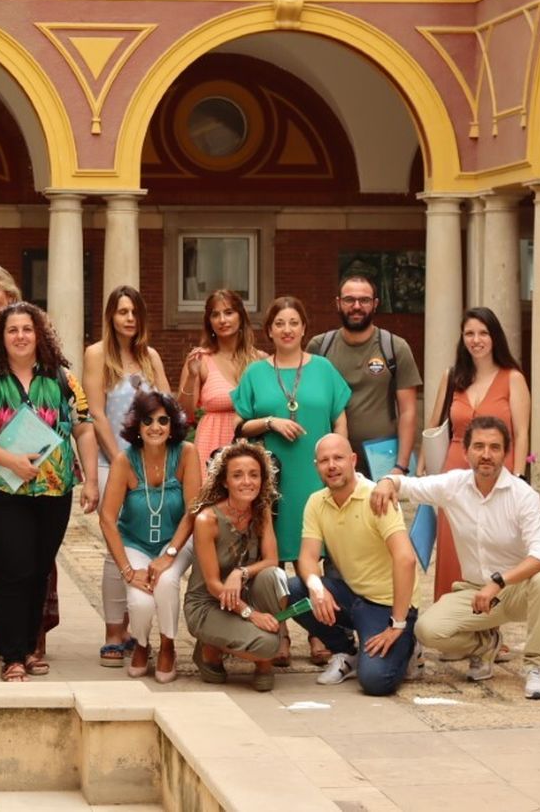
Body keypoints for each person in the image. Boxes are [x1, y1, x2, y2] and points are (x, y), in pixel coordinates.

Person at [370, 416, 540, 699]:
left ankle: (536, 667)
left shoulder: (524, 495)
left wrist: (498, 582)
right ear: (466, 451)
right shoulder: (454, 484)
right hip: (474, 593)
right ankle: (485, 644)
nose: (486, 454)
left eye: (494, 447)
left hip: (518, 589)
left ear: (505, 453)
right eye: (479, 446)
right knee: (427, 630)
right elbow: (406, 486)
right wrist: (386, 481)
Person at [0, 302, 99, 682]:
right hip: (1, 489)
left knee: (39, 569)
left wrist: (91, 479)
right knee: (14, 567)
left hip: (54, 490)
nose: (20, 336)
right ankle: (13, 655)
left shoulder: (62, 379)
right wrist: (10, 460)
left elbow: (84, 427)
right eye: (12, 330)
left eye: (26, 329)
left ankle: (32, 646)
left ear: (39, 335)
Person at [232, 295, 351, 665]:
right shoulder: (255, 372)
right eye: (279, 323)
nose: (287, 330)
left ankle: (319, 632)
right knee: (273, 561)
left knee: (313, 558)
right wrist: (270, 422)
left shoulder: (324, 369)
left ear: (304, 328)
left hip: (316, 477)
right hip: (273, 477)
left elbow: (339, 420)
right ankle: (279, 632)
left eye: (293, 323)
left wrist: (340, 465)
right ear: (269, 330)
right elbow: (241, 426)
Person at [286, 434, 418, 697]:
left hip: (387, 605)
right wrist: (317, 588)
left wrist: (398, 624)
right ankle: (345, 652)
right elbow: (307, 557)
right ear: (317, 467)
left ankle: (409, 645)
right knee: (293, 590)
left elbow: (406, 559)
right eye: (324, 460)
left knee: (375, 681)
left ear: (353, 460)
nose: (332, 465)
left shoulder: (376, 497)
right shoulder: (316, 502)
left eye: (338, 458)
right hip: (350, 595)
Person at [84, 286, 171, 668]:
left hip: (152, 465)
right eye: (122, 312)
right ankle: (113, 631)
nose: (129, 319)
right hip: (113, 461)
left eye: (135, 311)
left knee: (146, 540)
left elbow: (168, 406)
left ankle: (141, 633)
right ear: (111, 316)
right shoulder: (96, 355)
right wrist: (122, 464)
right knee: (115, 546)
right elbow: (97, 413)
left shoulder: (150, 357)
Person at [426, 307, 532, 600]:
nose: (476, 340)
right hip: (455, 467)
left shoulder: (513, 378)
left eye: (483, 333)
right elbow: (433, 425)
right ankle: (452, 619)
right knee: (453, 545)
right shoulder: (452, 377)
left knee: (492, 543)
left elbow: (522, 433)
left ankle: (490, 624)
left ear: (495, 337)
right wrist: (424, 468)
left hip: (497, 469)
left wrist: (520, 476)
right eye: (469, 333)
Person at [96, 391, 200, 683]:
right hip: (135, 543)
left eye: (163, 420)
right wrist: (128, 571)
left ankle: (168, 645)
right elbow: (107, 518)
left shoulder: (187, 453)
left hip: (176, 541)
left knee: (166, 582)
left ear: (172, 425)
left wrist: (168, 555)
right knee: (140, 601)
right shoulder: (124, 460)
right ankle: (142, 643)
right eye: (148, 420)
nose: (156, 427)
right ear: (137, 426)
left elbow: (194, 510)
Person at [184, 442, 284, 692]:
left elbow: (271, 560)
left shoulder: (261, 510)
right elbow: (213, 585)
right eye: (237, 475)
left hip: (244, 593)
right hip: (207, 604)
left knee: (273, 576)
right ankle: (210, 648)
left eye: (254, 475)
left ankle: (263, 666)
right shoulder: (207, 520)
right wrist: (253, 615)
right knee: (270, 645)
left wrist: (241, 573)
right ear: (225, 481)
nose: (247, 482)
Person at [309, 273, 422, 479]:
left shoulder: (395, 347)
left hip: (381, 461)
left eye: (365, 300)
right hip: (331, 462)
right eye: (349, 300)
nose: (357, 306)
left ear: (375, 304)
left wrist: (401, 466)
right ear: (338, 303)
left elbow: (408, 412)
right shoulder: (319, 347)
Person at [177, 289, 265, 471]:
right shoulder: (200, 359)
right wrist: (191, 377)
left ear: (241, 316)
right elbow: (185, 415)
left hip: (250, 445)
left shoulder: (260, 360)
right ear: (209, 322)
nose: (222, 320)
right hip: (211, 444)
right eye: (215, 315)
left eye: (229, 312)